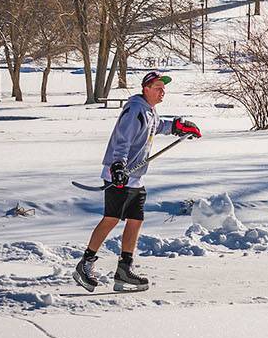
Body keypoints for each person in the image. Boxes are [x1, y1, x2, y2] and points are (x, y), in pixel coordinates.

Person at [73, 71, 202, 291]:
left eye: (164, 88)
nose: (163, 92)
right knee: (111, 218)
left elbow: (158, 126)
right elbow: (123, 140)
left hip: (135, 177)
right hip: (120, 175)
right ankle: (85, 264)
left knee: (135, 220)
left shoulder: (150, 111)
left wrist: (178, 126)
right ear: (146, 89)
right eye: (158, 88)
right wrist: (118, 167)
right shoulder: (134, 110)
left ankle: (124, 269)